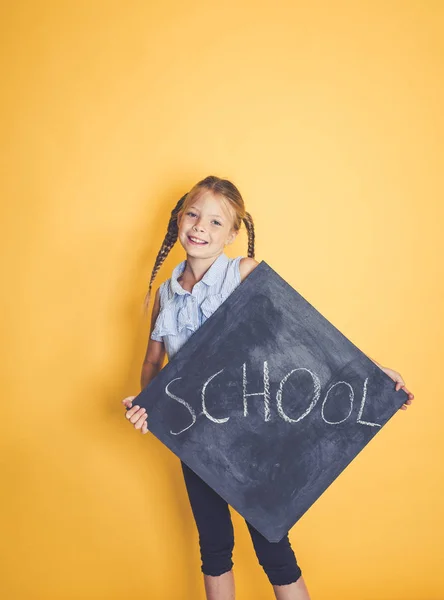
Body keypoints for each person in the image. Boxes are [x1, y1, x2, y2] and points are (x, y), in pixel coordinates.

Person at [121, 175, 414, 600]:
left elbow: (307, 338)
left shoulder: (243, 273)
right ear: (179, 220)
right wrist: (148, 404)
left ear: (233, 234)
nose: (201, 227)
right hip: (197, 440)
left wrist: (372, 372)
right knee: (214, 544)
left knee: (273, 546)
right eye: (193, 215)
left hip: (258, 436)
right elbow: (153, 363)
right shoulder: (167, 296)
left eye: (216, 222)